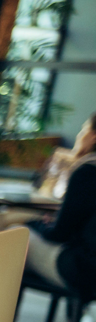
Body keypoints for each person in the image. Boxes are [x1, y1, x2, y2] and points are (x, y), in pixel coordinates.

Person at [24, 111, 96, 296]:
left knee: (15, 236)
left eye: (83, 130)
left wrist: (37, 224)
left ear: (93, 136)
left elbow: (59, 234)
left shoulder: (88, 171)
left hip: (86, 273)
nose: (80, 135)